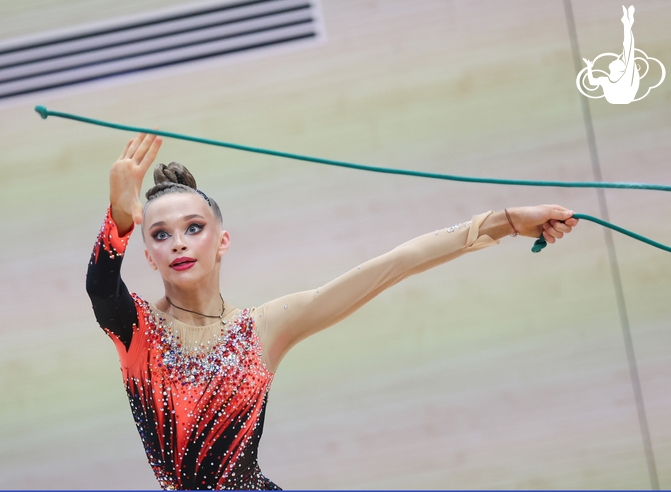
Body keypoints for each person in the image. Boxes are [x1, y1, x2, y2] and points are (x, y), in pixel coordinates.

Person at [86, 133, 578, 490]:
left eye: (194, 227)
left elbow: (394, 265)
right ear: (147, 255)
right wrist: (120, 219)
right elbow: (101, 289)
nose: (179, 243)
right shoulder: (138, 331)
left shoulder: (264, 328)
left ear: (222, 242)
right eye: (160, 234)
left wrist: (508, 221)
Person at [583, 5, 639, 104]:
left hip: (622, 96)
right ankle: (627, 23)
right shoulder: (620, 78)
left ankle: (627, 23)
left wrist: (589, 67)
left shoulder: (610, 80)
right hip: (622, 96)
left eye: (618, 61)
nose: (616, 59)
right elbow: (628, 50)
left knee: (628, 50)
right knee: (628, 51)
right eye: (620, 61)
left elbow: (592, 82)